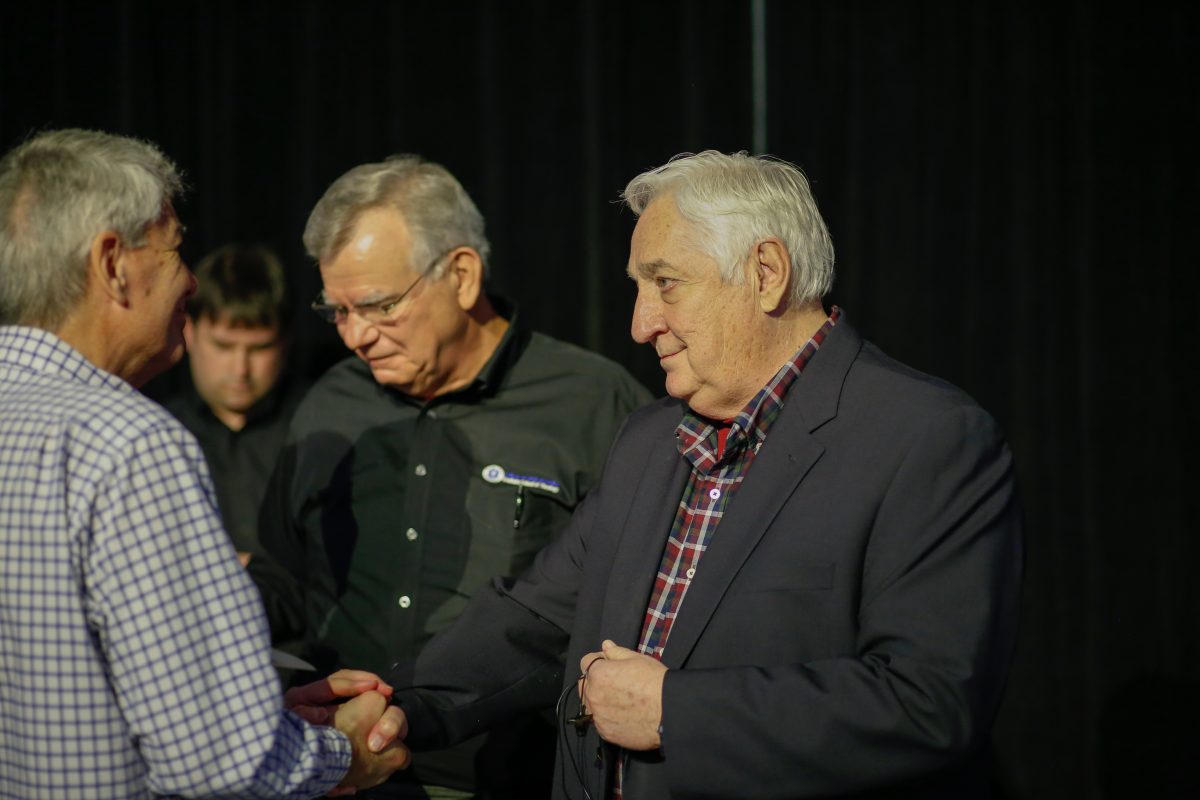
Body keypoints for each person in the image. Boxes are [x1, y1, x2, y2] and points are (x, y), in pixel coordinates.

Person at [369, 150, 1025, 798]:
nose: (639, 323)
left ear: (766, 272)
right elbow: (538, 621)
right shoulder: (649, 439)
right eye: (637, 287)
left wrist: (674, 712)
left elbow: (929, 703)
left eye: (665, 283)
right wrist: (390, 708)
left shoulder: (927, 439)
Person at [0, 128, 408, 798]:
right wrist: (344, 757)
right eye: (174, 248)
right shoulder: (129, 444)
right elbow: (217, 761)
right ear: (111, 263)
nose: (189, 279)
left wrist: (258, 715)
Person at [258, 155, 652, 799]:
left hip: (505, 779)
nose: (355, 334)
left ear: (462, 275)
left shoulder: (594, 404)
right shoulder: (329, 404)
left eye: (378, 305)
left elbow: (627, 606)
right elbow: (286, 575)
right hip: (339, 773)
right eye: (337, 312)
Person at [158, 244, 305, 624]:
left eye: (259, 348)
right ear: (188, 331)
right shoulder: (159, 433)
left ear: (285, 342)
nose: (240, 368)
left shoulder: (316, 429)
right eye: (224, 346)